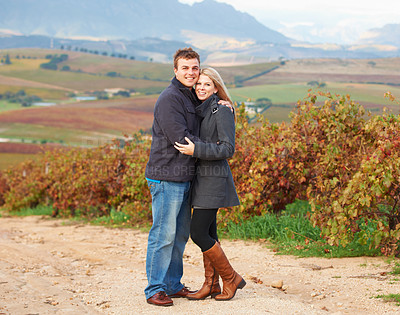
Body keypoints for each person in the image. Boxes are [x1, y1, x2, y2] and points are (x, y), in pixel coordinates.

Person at [174, 67, 246, 301]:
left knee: (198, 233)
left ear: (216, 88)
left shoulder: (221, 111)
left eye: (207, 84)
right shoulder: (202, 110)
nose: (201, 88)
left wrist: (197, 149)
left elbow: (228, 149)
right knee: (210, 233)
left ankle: (231, 278)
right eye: (199, 84)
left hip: (213, 179)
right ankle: (211, 284)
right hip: (201, 179)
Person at [144, 47, 202, 307]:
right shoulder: (170, 99)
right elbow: (181, 138)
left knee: (179, 235)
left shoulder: (190, 96)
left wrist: (221, 101)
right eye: (185, 68)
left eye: (194, 68)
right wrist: (213, 148)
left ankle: (172, 285)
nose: (190, 73)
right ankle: (155, 288)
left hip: (184, 176)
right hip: (166, 176)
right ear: (175, 71)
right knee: (163, 235)